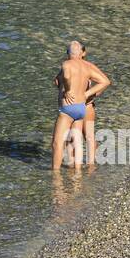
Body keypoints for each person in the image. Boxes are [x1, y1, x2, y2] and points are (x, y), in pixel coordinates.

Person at [51, 40, 111, 170]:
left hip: (80, 106)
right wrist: (87, 94)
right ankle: (78, 170)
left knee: (73, 139)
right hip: (82, 106)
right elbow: (104, 81)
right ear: (81, 53)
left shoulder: (73, 64)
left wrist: (77, 92)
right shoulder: (85, 67)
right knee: (77, 139)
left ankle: (59, 174)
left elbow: (65, 78)